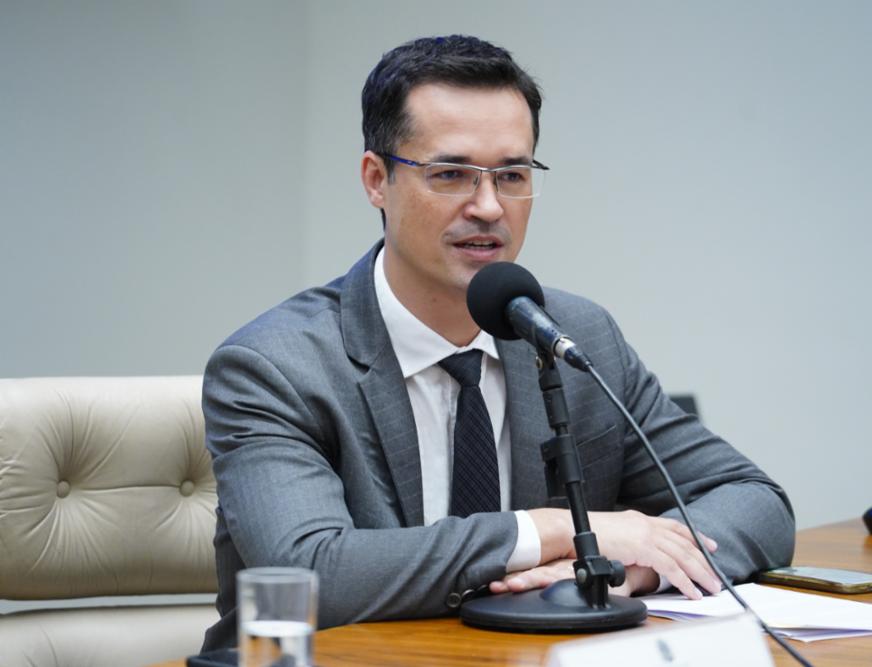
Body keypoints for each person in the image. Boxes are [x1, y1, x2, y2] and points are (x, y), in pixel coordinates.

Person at [200, 35, 794, 650]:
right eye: (451, 174)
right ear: (377, 180)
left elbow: (755, 501)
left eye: (511, 175)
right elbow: (311, 572)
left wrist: (627, 567)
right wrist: (553, 531)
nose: (488, 207)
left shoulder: (575, 336)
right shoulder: (275, 366)